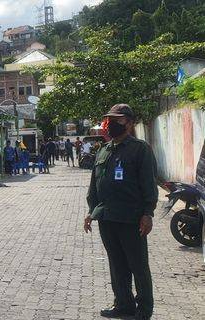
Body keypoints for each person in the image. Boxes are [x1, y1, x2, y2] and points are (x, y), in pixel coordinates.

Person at [84, 104, 158, 320]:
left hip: (131, 219)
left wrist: (148, 213)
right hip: (107, 218)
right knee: (117, 265)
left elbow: (149, 184)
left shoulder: (140, 149)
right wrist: (91, 212)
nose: (112, 123)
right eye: (110, 119)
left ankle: (143, 311)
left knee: (138, 266)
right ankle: (123, 305)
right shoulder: (103, 150)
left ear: (129, 123)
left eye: (118, 120)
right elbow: (94, 185)